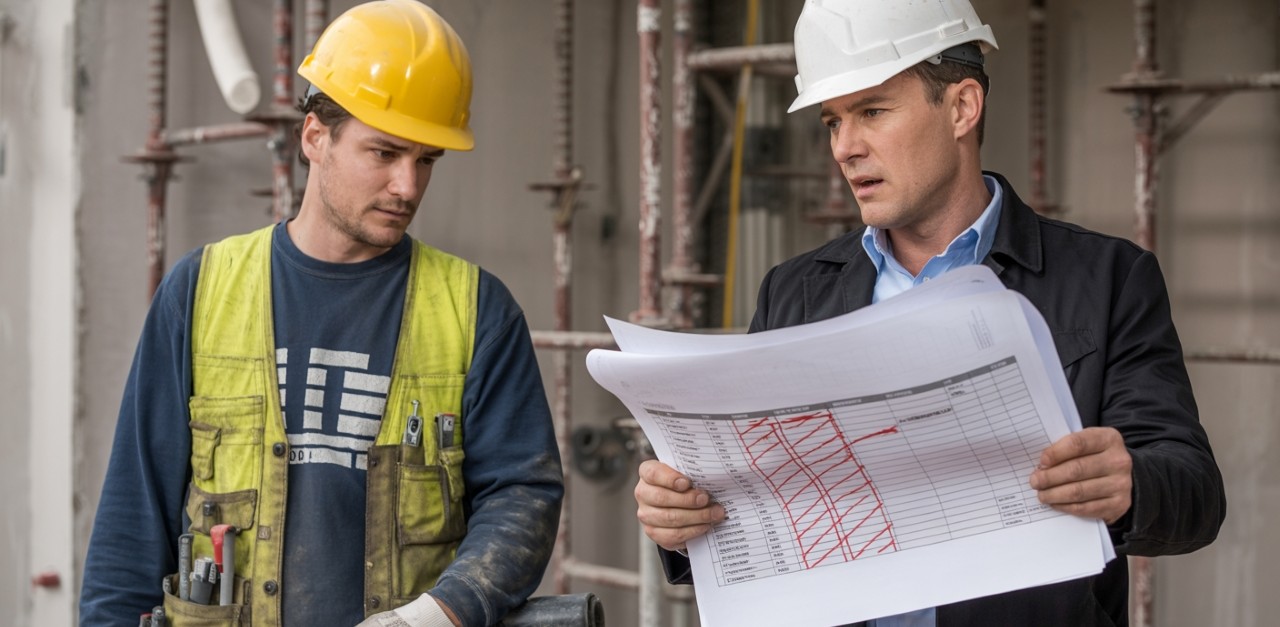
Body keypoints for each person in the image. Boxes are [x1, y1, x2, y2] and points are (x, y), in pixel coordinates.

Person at [632, 1, 1225, 625]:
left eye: (872, 112)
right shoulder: (794, 292)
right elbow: (755, 507)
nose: (845, 147)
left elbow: (1196, 496)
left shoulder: (1108, 279)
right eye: (833, 121)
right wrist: (682, 521)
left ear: (962, 107)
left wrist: (1130, 486)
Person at [80, 2, 562, 626]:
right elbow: (132, 517)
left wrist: (444, 613)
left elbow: (522, 494)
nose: (407, 186)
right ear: (315, 136)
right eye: (384, 153)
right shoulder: (202, 291)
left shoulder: (476, 311)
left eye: (426, 161)